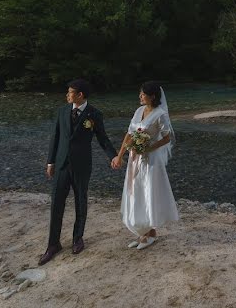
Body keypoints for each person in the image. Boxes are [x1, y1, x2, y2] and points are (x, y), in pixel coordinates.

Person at [39, 78, 117, 265]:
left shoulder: (94, 114)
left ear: (80, 95)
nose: (67, 94)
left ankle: (77, 239)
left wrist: (113, 156)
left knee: (81, 201)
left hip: (82, 165)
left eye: (70, 92)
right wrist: (50, 162)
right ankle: (53, 244)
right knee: (56, 203)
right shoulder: (62, 111)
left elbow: (103, 138)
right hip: (61, 165)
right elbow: (55, 137)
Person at [111, 82, 179, 249]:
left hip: (151, 160)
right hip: (135, 159)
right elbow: (129, 134)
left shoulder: (160, 114)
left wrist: (148, 147)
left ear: (152, 96)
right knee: (135, 192)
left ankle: (150, 232)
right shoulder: (139, 111)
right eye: (140, 94)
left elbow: (166, 138)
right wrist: (119, 156)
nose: (140, 96)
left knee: (148, 192)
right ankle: (143, 232)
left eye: (143, 94)